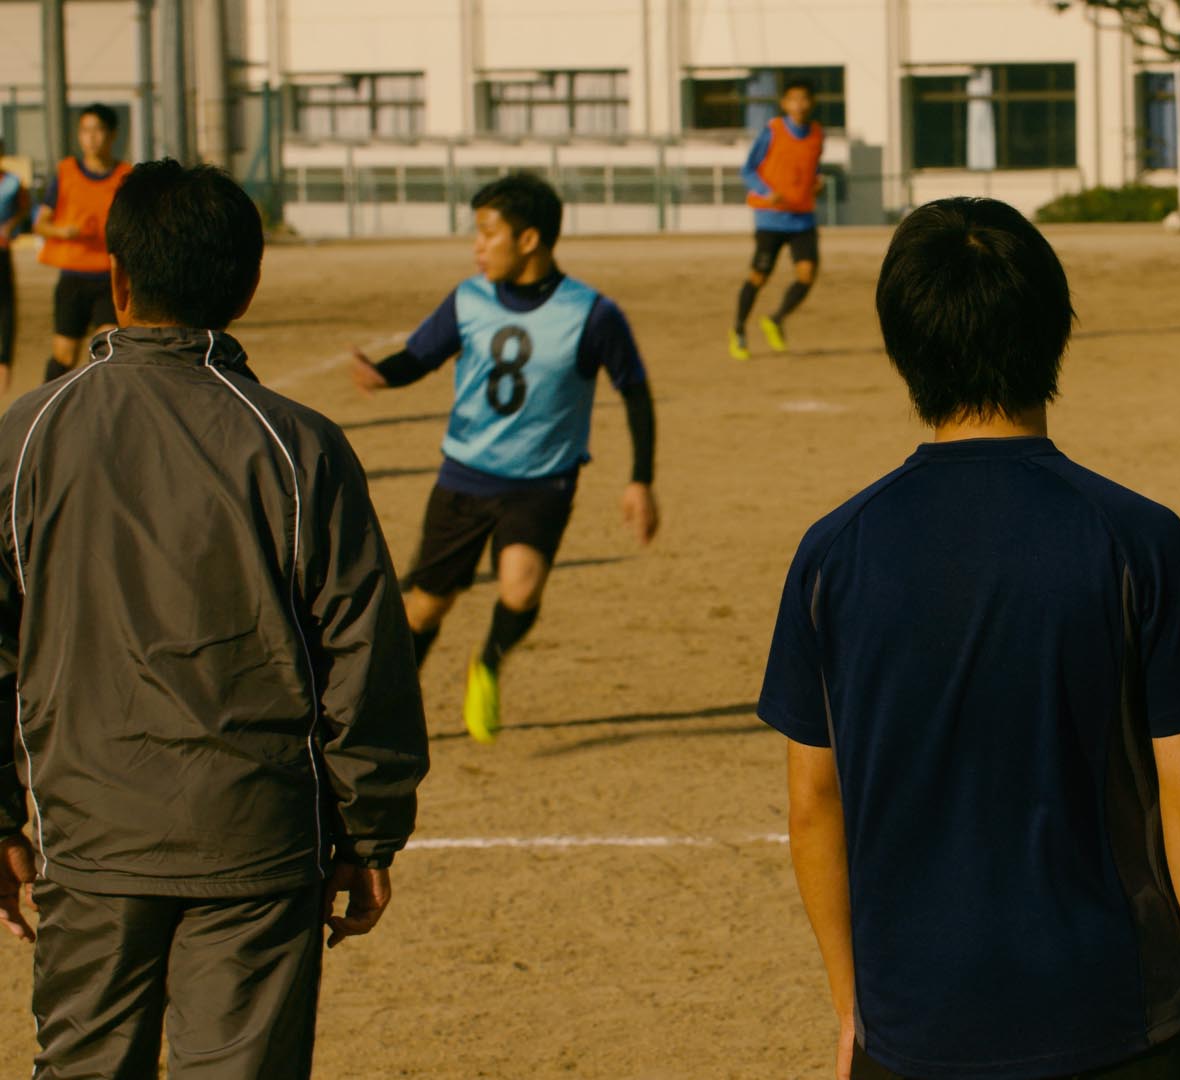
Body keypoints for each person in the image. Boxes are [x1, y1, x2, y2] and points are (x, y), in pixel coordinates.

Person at [759, 197, 1180, 1080]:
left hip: (913, 1029)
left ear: (903, 344)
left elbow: (811, 804)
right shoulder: (1137, 537)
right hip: (1118, 1016)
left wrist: (851, 1007)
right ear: (1056, 331)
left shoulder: (834, 552)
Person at [0, 160, 430, 1079]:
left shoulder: (27, 435)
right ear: (249, 286)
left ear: (116, 278)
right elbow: (362, 650)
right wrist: (368, 828)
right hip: (260, 843)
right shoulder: (297, 444)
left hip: (90, 836)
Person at [349, 171, 660, 743]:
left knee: (520, 588)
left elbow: (634, 390)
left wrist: (640, 480)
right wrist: (381, 373)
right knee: (424, 609)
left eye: (488, 234)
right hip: (465, 477)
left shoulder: (590, 313)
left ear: (529, 240)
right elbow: (420, 357)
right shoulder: (468, 299)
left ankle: (487, 662)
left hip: (543, 481)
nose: (477, 247)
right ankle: (392, 707)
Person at [32, 104, 130, 383]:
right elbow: (40, 223)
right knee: (64, 356)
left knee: (109, 347)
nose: (91, 137)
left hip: (110, 278)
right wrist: (63, 232)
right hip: (73, 278)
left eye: (98, 130)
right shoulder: (66, 173)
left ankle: (104, 412)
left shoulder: (125, 177)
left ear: (112, 135)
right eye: (86, 130)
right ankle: (48, 406)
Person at [729, 77, 824, 361]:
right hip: (770, 219)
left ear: (812, 103)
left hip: (802, 218)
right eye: (794, 99)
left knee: (807, 276)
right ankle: (738, 331)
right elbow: (747, 170)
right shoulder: (772, 131)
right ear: (784, 104)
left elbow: (812, 168)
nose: (800, 105)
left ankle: (776, 319)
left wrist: (815, 182)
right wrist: (765, 191)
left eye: (804, 99)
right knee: (758, 277)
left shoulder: (818, 134)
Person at [0, 138, 30, 394]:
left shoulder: (11, 183)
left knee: (6, 305)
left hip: (1, 250)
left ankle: (4, 362)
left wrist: (11, 225)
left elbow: (25, 207)